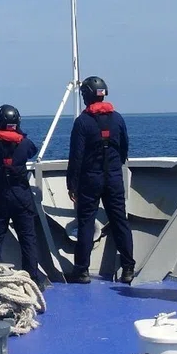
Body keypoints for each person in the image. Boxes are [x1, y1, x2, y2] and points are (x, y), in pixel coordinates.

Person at [66, 76, 135, 284]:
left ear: (86, 96)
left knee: (86, 223)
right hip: (113, 177)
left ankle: (82, 271)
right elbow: (124, 148)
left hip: (90, 178)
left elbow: (76, 156)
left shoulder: (82, 122)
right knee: (119, 221)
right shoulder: (118, 119)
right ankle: (128, 268)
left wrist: (72, 185)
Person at [0, 104, 44, 286]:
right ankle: (32, 280)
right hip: (21, 196)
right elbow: (33, 150)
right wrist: (17, 130)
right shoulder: (25, 144)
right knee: (28, 239)